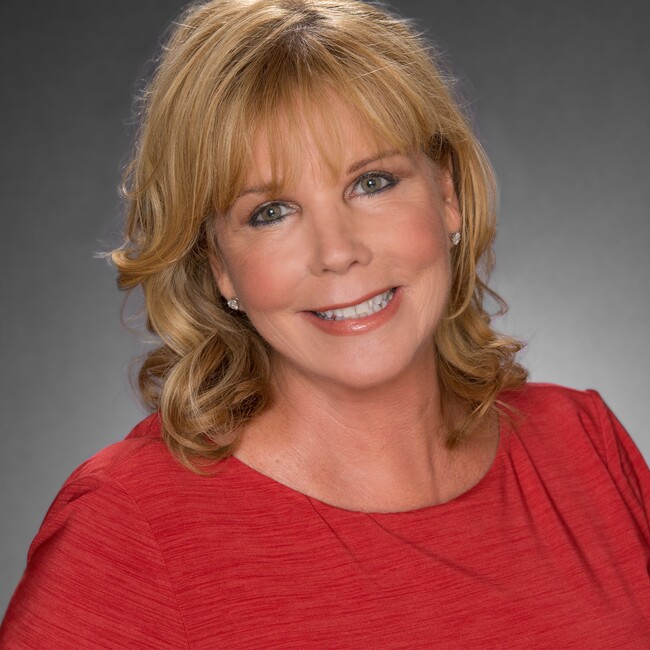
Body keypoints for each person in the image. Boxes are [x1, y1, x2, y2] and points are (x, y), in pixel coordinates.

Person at [1, 0, 648, 646]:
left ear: (446, 195)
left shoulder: (584, 446)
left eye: (372, 183)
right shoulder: (128, 529)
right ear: (220, 264)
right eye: (271, 212)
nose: (338, 252)